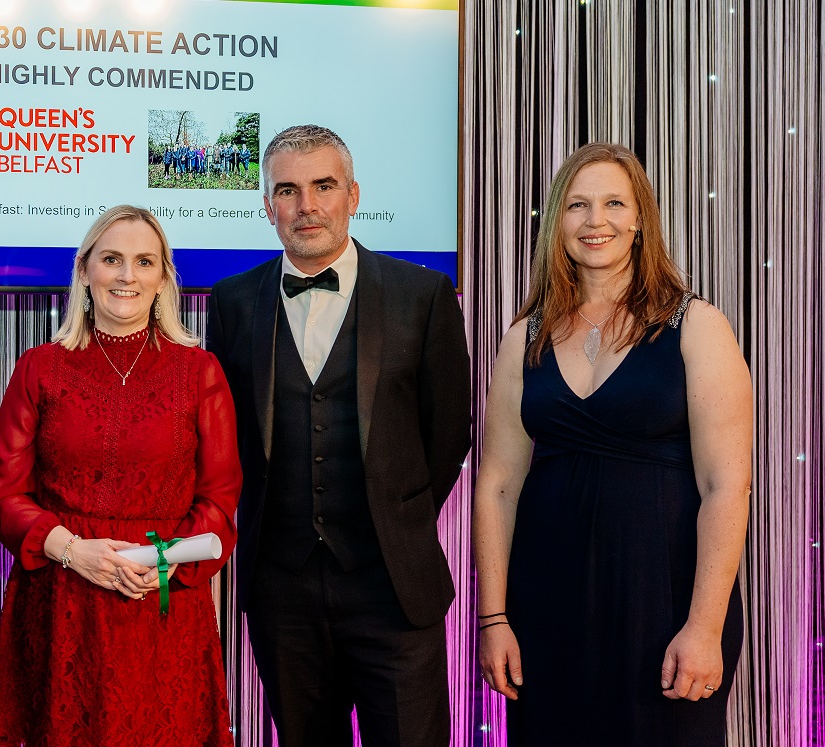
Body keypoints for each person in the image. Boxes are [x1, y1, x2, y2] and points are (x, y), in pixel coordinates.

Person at [472, 143, 750, 744]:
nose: (595, 220)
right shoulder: (524, 335)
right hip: (546, 602)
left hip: (664, 601)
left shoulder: (697, 325)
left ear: (640, 218)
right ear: (557, 221)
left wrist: (705, 627)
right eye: (578, 205)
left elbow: (726, 486)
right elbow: (496, 485)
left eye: (614, 203)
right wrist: (493, 618)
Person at [206, 124, 471, 746]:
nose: (307, 205)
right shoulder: (232, 301)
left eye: (323, 186)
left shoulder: (421, 294)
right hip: (282, 591)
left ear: (353, 195)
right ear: (267, 205)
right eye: (287, 191)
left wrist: (396, 517)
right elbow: (228, 440)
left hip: (394, 588)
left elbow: (448, 434)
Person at [0, 205, 242, 747]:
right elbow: (4, 493)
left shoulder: (200, 372)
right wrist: (71, 550)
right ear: (84, 270)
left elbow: (220, 500)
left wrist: (165, 560)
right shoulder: (39, 366)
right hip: (61, 600)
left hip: (163, 605)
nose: (127, 275)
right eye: (111, 259)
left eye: (144, 261)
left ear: (163, 278)